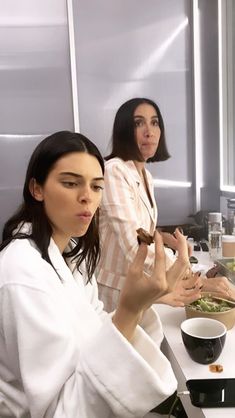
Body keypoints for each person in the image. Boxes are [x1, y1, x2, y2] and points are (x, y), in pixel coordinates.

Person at [0, 131, 202, 418]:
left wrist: (141, 303)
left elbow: (96, 335)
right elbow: (58, 411)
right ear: (37, 189)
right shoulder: (22, 273)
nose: (87, 198)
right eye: (70, 183)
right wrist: (130, 309)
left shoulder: (71, 254)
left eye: (97, 187)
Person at [96, 97, 234, 312]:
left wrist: (163, 239)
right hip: (116, 291)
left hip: (142, 288)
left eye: (155, 122)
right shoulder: (114, 171)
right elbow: (134, 247)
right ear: (124, 130)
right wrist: (191, 275)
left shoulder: (145, 176)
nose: (149, 131)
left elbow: (141, 231)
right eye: (138, 123)